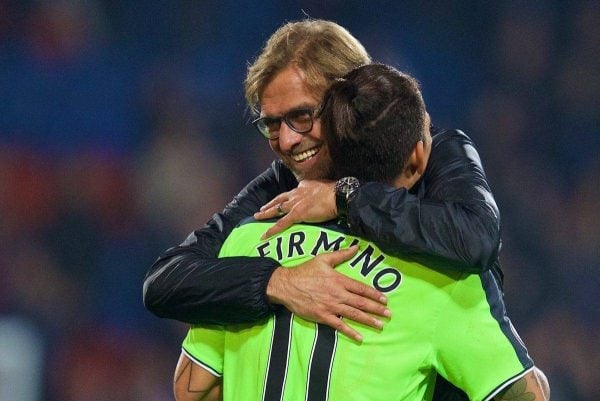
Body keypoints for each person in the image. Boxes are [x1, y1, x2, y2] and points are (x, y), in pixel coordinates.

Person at [143, 19, 543, 401]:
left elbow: (477, 240)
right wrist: (277, 282)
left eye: (301, 116)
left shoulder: (430, 150)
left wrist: (345, 197)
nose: (285, 141)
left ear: (348, 98)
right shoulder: (279, 190)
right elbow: (164, 282)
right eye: (270, 125)